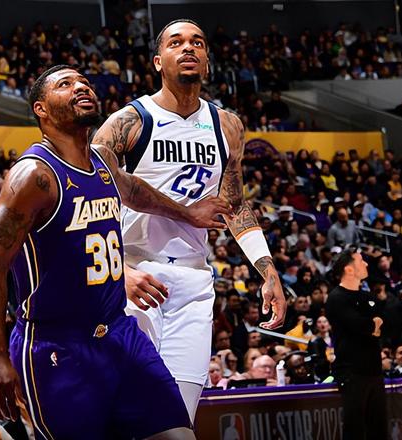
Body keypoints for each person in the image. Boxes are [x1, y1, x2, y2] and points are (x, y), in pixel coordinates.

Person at [0, 65, 227, 439]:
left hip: (119, 333)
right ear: (41, 109)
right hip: (57, 345)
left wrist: (187, 213)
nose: (81, 87)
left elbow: (133, 190)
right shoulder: (34, 175)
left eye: (84, 82)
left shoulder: (101, 160)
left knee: (179, 434)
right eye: (65, 84)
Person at [92, 18, 286, 421]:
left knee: (179, 417)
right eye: (176, 42)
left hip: (194, 282)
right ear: (157, 61)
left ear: (207, 59)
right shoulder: (130, 120)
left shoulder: (227, 125)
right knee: (131, 411)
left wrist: (267, 270)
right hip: (137, 275)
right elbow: (89, 195)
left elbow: (234, 205)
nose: (188, 48)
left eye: (197, 42)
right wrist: (117, 271)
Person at [325, 248, 387, 440]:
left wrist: (372, 326)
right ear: (349, 269)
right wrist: (371, 325)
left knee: (379, 430)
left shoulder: (367, 296)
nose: (366, 264)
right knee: (355, 430)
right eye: (361, 261)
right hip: (352, 372)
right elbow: (363, 326)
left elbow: (382, 325)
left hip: (374, 370)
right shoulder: (336, 298)